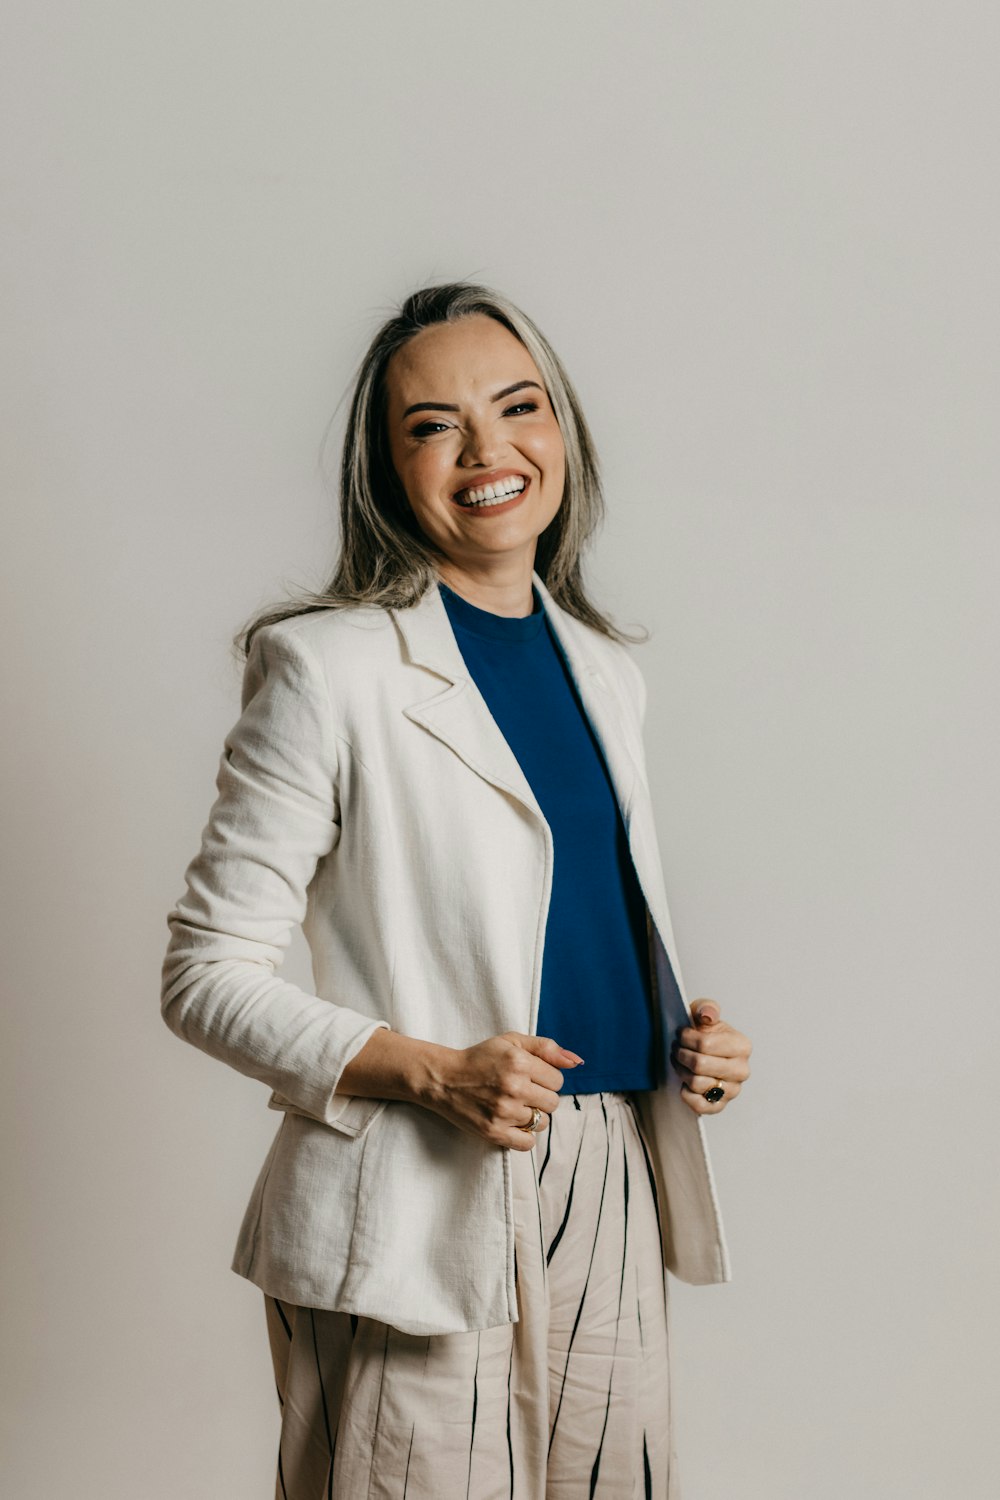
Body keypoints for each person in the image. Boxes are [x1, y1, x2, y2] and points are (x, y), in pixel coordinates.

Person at [161, 281, 753, 1500]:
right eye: (433, 426)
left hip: (613, 1165)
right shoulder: (325, 667)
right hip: (416, 1188)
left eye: (516, 406)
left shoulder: (601, 668)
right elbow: (202, 976)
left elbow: (569, 909)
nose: (488, 451)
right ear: (386, 471)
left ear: (563, 429)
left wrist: (683, 1033)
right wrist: (432, 1070)